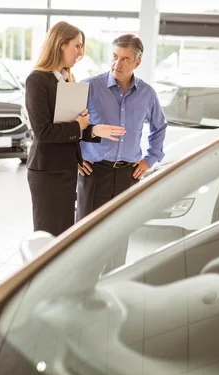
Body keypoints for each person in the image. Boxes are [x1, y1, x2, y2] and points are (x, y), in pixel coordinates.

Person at [25, 21, 126, 237]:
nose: (80, 52)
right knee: (47, 235)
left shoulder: (67, 79)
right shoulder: (37, 80)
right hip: (47, 171)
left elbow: (72, 126)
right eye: (77, 46)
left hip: (66, 169)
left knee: (62, 234)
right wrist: (78, 126)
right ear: (61, 44)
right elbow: (43, 132)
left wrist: (94, 130)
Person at [77, 34, 167, 222]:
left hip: (128, 176)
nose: (117, 63)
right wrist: (74, 156)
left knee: (120, 235)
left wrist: (149, 159)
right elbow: (68, 125)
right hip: (94, 173)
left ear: (138, 62)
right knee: (86, 239)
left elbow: (159, 127)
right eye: (115, 56)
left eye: (125, 59)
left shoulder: (147, 93)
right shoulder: (88, 86)